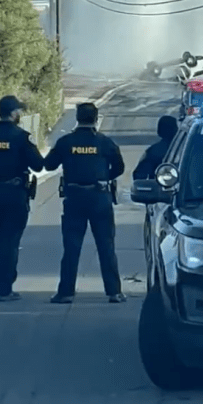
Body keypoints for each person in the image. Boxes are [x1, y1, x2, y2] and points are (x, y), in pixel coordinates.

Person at [44, 102, 126, 304]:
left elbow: (49, 164)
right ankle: (114, 292)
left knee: (71, 246)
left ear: (77, 118)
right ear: (96, 119)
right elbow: (119, 167)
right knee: (106, 245)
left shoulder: (65, 142)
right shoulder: (104, 142)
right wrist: (104, 176)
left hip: (74, 197)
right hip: (100, 197)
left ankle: (66, 293)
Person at [0, 95, 44, 301]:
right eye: (19, 111)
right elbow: (38, 165)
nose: (21, 115)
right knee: (10, 240)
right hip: (16, 194)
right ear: (13, 113)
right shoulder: (21, 137)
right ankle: (4, 288)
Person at [132, 116, 178, 181]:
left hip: (159, 189)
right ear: (176, 130)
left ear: (159, 130)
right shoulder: (185, 148)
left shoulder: (152, 151)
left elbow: (139, 176)